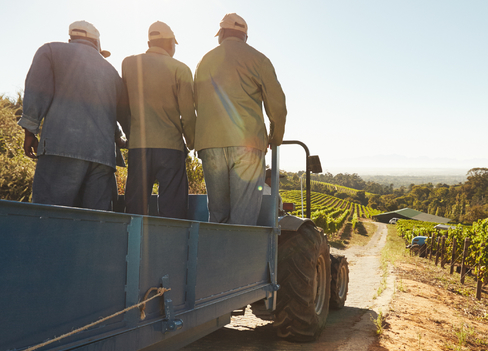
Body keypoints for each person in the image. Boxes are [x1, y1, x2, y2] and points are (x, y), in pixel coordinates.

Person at [19, 20, 129, 210]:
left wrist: (30, 131)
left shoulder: (50, 51)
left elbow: (37, 92)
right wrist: (122, 138)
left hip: (62, 147)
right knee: (96, 225)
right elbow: (118, 113)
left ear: (71, 38)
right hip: (102, 158)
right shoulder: (111, 71)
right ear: (97, 42)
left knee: (50, 217)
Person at [193, 13, 287, 225]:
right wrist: (276, 137)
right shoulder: (259, 59)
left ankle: (215, 257)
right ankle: (239, 257)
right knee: (243, 218)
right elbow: (278, 105)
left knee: (217, 215)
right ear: (245, 36)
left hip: (210, 145)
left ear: (222, 33)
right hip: (248, 144)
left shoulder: (205, 61)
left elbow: (197, 102)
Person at [121, 21, 195, 219]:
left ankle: (134, 248)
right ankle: (169, 247)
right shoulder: (181, 69)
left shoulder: (128, 63)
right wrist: (192, 141)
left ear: (149, 42)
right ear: (171, 43)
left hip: (138, 145)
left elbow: (123, 105)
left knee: (135, 207)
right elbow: (188, 114)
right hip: (171, 147)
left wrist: (131, 134)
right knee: (173, 209)